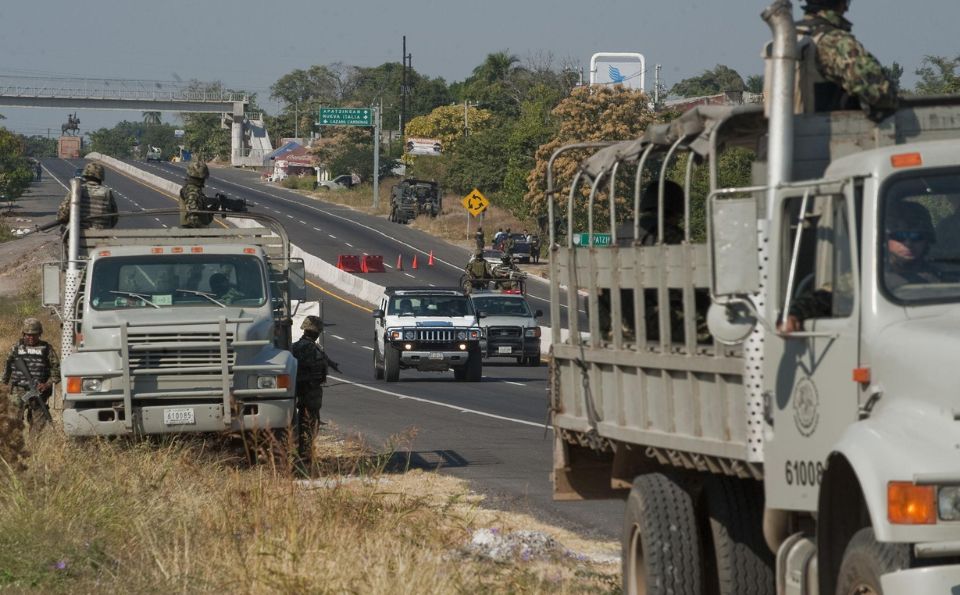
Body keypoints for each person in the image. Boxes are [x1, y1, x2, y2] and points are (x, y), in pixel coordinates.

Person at [780, 201, 939, 332]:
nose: (908, 243)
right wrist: (794, 314)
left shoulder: (941, 275)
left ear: (927, 240)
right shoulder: (868, 278)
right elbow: (823, 298)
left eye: (917, 236)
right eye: (900, 236)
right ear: (885, 239)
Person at [795, 0, 898, 121]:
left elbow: (769, 94)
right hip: (821, 130)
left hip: (784, 130)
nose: (846, 9)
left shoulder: (785, 36)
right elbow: (880, 93)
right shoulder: (836, 41)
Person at [291, 315, 340, 458]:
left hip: (305, 388)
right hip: (309, 389)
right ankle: (305, 452)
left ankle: (304, 450)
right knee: (310, 422)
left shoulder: (298, 346)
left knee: (306, 420)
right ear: (316, 332)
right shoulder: (309, 348)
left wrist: (331, 364)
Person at [2, 318, 59, 429]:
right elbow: (7, 368)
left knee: (38, 425)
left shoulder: (47, 349)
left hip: (39, 391)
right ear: (23, 334)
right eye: (28, 335)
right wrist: (3, 386)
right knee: (13, 422)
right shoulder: (16, 348)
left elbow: (56, 371)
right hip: (18, 390)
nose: (31, 337)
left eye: (34, 335)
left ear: (40, 334)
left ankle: (35, 441)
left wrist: (46, 384)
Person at [57, 162, 118, 229]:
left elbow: (62, 215)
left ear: (85, 176)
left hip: (78, 232)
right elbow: (114, 217)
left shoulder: (77, 190)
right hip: (102, 232)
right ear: (101, 177)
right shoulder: (107, 192)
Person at [179, 161, 213, 229]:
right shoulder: (192, 191)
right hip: (193, 231)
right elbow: (192, 218)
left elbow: (199, 206)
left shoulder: (192, 188)